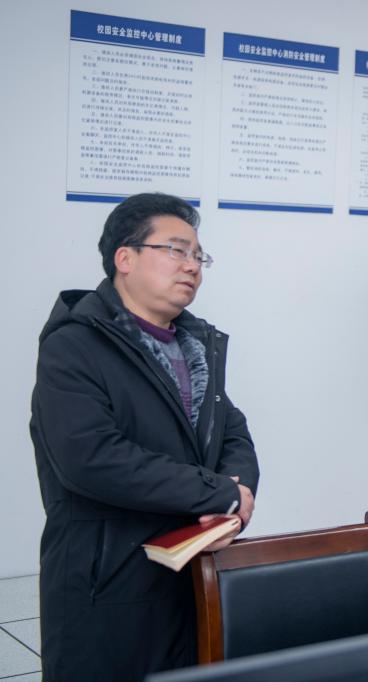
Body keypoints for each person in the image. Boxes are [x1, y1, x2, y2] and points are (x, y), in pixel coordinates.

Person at [29, 193, 259, 681]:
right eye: (176, 250)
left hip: (189, 570)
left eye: (199, 256)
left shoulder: (194, 344)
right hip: (107, 581)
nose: (192, 266)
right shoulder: (74, 345)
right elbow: (91, 458)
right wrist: (218, 492)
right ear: (125, 258)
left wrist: (236, 497)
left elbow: (232, 432)